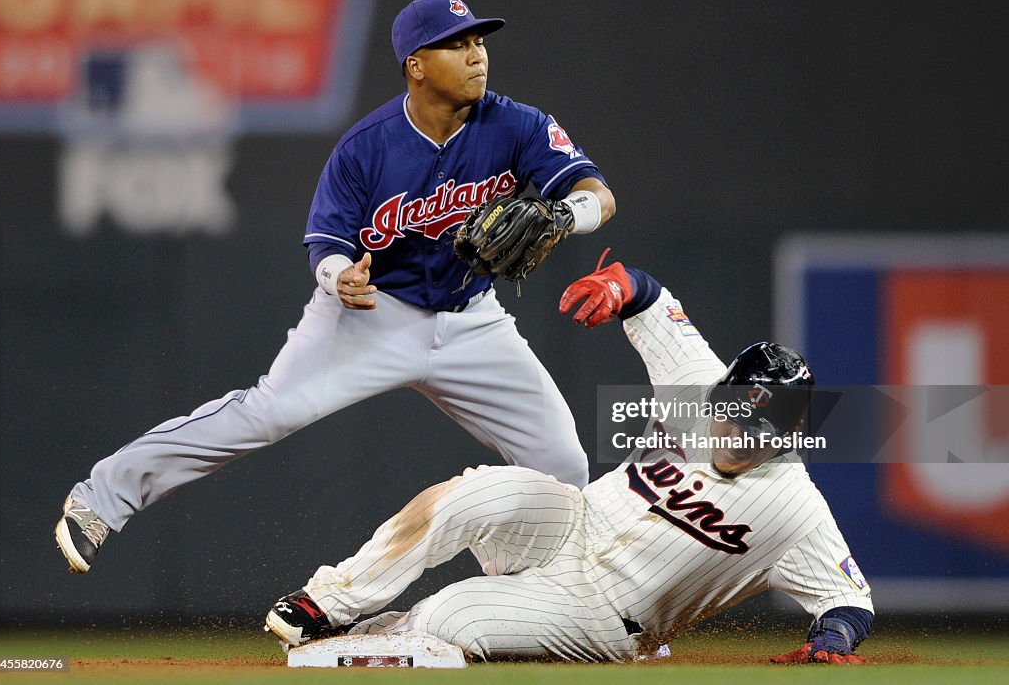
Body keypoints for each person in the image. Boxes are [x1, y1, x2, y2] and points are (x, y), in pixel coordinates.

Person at [55, 0, 615, 574]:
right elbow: (325, 242)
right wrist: (338, 276)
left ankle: (522, 593)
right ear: (415, 65)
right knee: (266, 414)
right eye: (457, 44)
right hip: (370, 313)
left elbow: (599, 192)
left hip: (472, 318)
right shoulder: (365, 147)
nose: (477, 56)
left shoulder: (518, 124)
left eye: (479, 42)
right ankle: (100, 498)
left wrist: (568, 215)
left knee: (562, 464)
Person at [263, 254, 874, 664]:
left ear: (786, 434)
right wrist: (618, 286)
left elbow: (850, 601)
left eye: (754, 429)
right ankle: (331, 605)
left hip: (604, 612)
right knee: (474, 494)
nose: (734, 433)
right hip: (571, 522)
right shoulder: (699, 382)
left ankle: (377, 641)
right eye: (729, 412)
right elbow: (651, 298)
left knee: (451, 619)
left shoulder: (795, 507)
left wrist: (833, 639)